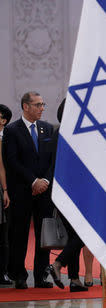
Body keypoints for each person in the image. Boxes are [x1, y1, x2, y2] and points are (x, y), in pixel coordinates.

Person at [2, 91, 54, 289]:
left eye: (43, 104)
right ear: (26, 106)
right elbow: (12, 161)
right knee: (19, 234)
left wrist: (45, 181)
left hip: (45, 192)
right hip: (22, 191)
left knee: (44, 235)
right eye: (38, 105)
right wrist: (33, 181)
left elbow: (52, 159)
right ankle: (19, 275)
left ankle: (41, 276)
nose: (42, 108)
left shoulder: (47, 129)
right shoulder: (12, 130)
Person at [46, 99, 88, 292]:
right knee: (82, 235)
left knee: (74, 236)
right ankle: (58, 264)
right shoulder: (72, 136)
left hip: (62, 192)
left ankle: (74, 280)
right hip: (73, 193)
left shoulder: (57, 134)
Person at [0, 104, 12, 285]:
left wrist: (4, 190)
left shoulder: (6, 137)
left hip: (4, 189)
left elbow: (1, 166)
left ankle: (3, 271)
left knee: (3, 233)